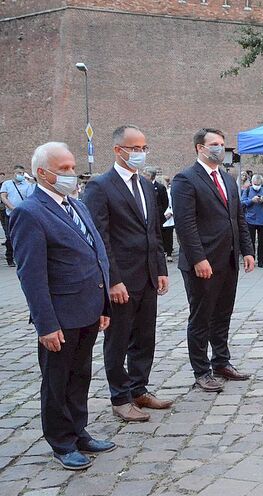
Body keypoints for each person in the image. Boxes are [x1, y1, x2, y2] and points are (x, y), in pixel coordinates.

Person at [10, 142, 115, 470]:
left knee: (80, 374)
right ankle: (61, 441)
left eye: (73, 167)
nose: (73, 174)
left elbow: (95, 253)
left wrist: (104, 306)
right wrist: (46, 325)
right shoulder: (30, 213)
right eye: (65, 169)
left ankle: (78, 429)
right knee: (57, 380)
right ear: (43, 173)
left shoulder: (76, 204)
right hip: (60, 316)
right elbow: (32, 276)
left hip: (88, 309)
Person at [82, 125, 172, 423]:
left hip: (147, 276)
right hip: (121, 279)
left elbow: (154, 232)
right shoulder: (100, 186)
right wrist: (113, 280)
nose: (141, 153)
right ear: (118, 150)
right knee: (118, 339)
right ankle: (120, 397)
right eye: (135, 148)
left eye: (144, 148)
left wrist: (160, 268)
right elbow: (101, 238)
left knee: (145, 337)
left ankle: (139, 388)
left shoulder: (146, 185)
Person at [172, 128, 255, 393]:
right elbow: (185, 225)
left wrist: (247, 250)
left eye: (222, 143)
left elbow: (238, 218)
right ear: (200, 148)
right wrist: (198, 258)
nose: (220, 148)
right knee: (201, 317)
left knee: (222, 314)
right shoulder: (185, 179)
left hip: (228, 260)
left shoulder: (228, 178)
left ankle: (221, 361)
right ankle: (201, 370)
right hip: (203, 263)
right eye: (214, 144)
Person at [1, 165, 35, 267]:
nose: (20, 175)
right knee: (10, 236)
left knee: (23, 236)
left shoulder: (27, 185)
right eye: (18, 173)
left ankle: (21, 256)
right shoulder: (7, 184)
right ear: (14, 173)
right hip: (10, 214)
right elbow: (3, 197)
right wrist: (12, 207)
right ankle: (9, 258)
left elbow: (30, 198)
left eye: (22, 173)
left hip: (23, 215)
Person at [241, 174, 263, 268]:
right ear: (252, 183)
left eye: (259, 184)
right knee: (250, 241)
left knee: (262, 242)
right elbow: (242, 203)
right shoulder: (247, 190)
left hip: (262, 219)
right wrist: (251, 200)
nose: (257, 186)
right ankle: (251, 260)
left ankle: (261, 261)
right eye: (255, 184)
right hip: (250, 219)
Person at [143, 166, 174, 262]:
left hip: (159, 216)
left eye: (145, 175)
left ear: (151, 176)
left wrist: (161, 213)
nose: (143, 176)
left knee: (164, 235)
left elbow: (165, 202)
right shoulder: (142, 186)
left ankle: (166, 252)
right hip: (147, 215)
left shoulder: (160, 188)